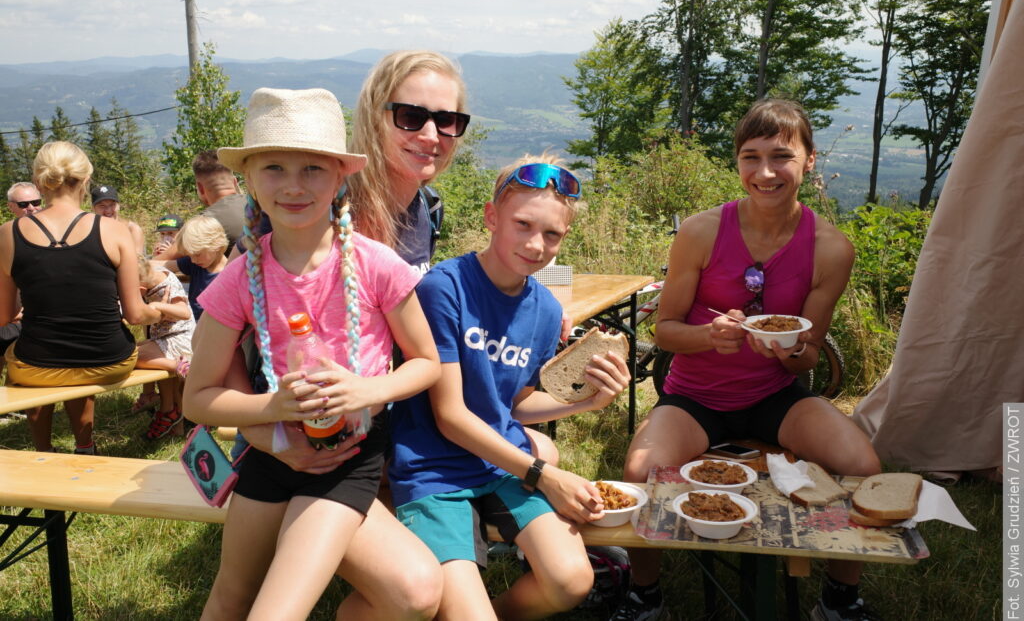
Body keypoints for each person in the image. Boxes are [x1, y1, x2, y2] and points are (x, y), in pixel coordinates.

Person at [613, 99, 881, 621]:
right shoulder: (701, 231)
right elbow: (665, 331)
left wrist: (787, 352)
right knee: (639, 469)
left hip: (775, 397)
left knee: (863, 465)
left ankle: (841, 599)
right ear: (736, 163)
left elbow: (805, 357)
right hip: (695, 398)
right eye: (750, 157)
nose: (764, 172)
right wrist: (710, 337)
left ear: (808, 160)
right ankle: (645, 597)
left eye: (781, 156)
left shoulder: (830, 249)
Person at [183, 87, 443, 620]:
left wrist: (365, 390)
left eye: (313, 170)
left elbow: (427, 362)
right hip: (269, 454)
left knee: (279, 610)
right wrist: (272, 412)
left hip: (346, 461)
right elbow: (198, 398)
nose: (294, 186)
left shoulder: (378, 265)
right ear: (249, 179)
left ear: (340, 177)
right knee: (231, 594)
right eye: (274, 168)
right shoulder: (238, 279)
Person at [388, 157, 632, 620]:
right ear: (491, 217)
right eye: (523, 224)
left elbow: (514, 404)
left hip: (500, 462)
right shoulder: (446, 288)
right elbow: (450, 416)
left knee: (572, 582)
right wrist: (545, 474)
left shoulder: (542, 308)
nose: (536, 245)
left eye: (552, 234)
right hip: (433, 469)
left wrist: (587, 400)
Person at [0, 142, 160, 454]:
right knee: (76, 356)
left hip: (37, 364)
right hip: (109, 360)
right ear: (85, 181)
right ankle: (85, 445)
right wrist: (160, 312)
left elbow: (5, 315)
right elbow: (136, 315)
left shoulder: (9, 233)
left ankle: (44, 451)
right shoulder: (114, 230)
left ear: (39, 181)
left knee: (26, 360)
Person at [349, 49, 470, 273]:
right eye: (411, 116)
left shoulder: (429, 209)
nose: (432, 135)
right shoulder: (325, 210)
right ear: (374, 119)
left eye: (446, 120)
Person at [135, 257, 194, 440]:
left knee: (130, 355)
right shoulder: (154, 275)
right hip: (166, 338)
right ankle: (174, 423)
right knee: (141, 349)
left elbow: (184, 313)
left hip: (181, 339)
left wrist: (157, 305)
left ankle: (177, 366)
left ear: (140, 289)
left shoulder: (165, 283)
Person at [152, 215, 228, 321]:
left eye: (197, 254)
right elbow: (161, 265)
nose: (193, 260)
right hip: (193, 324)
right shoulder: (196, 263)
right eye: (189, 255)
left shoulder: (229, 275)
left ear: (216, 245)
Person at [0, 183, 43, 371]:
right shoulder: (5, 237)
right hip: (12, 315)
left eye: (36, 202)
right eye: (24, 204)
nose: (31, 208)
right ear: (11, 207)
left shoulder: (57, 234)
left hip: (45, 315)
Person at [91, 184, 145, 256]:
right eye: (102, 206)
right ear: (93, 208)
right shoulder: (90, 230)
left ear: (119, 206)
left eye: (112, 205)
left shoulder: (132, 229)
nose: (108, 211)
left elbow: (138, 261)